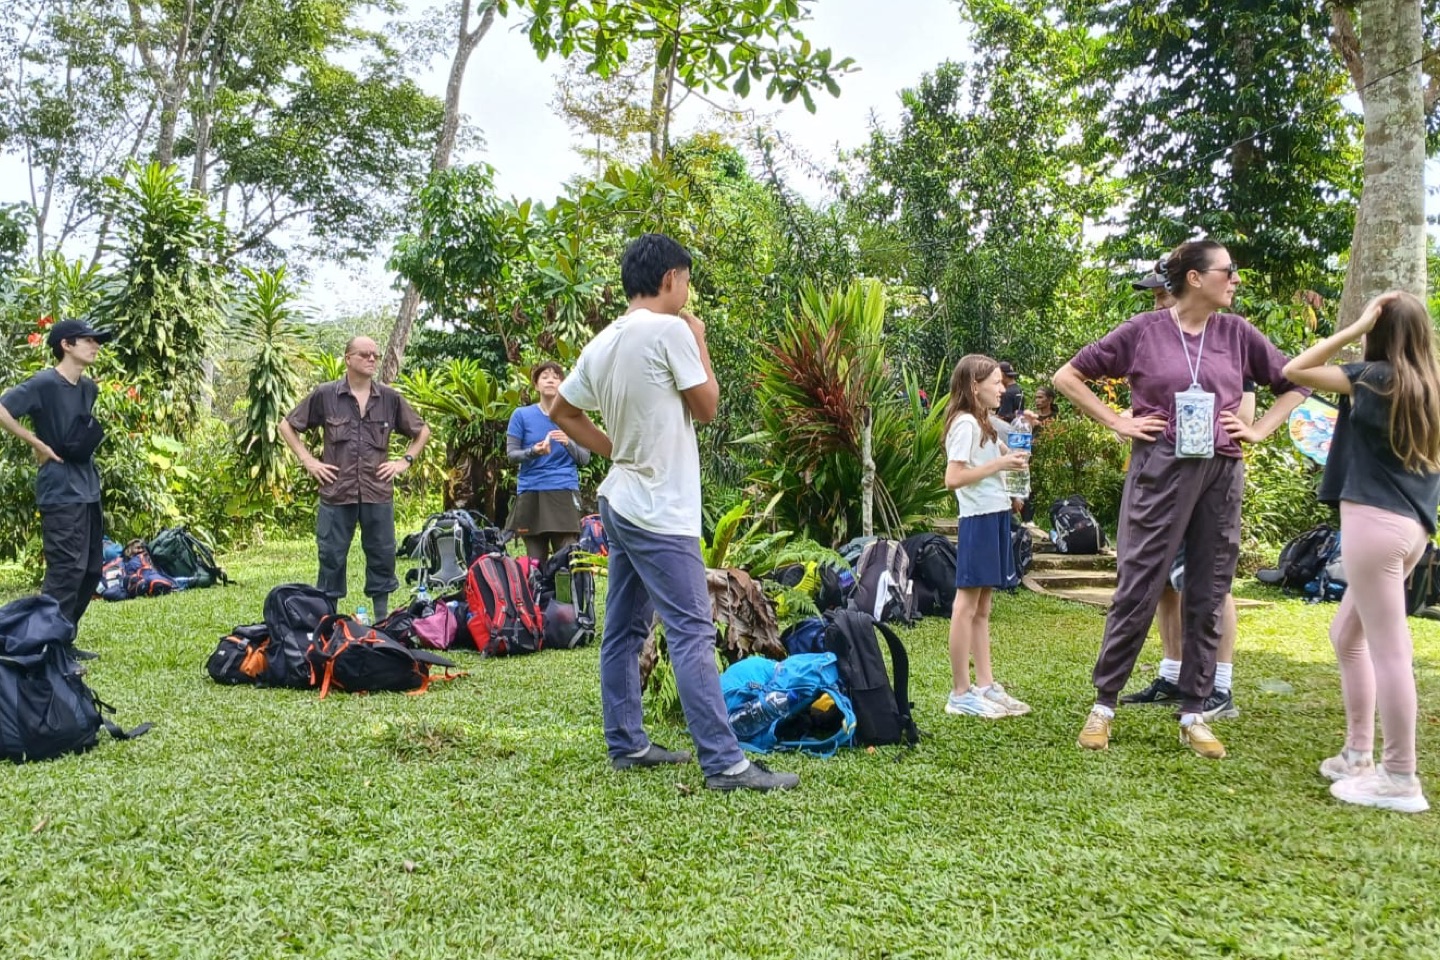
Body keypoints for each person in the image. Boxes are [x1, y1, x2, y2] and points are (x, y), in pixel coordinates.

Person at [550, 232, 798, 792]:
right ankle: (725, 764)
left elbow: (561, 410)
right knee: (690, 632)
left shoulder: (604, 340)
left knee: (623, 629)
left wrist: (618, 450)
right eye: (687, 279)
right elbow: (707, 406)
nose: (688, 290)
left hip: (620, 499)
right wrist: (701, 340)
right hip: (660, 509)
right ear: (670, 279)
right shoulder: (671, 331)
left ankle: (628, 744)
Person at [1053, 239, 1308, 759]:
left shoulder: (1238, 333)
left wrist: (1258, 429)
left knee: (1209, 587)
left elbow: (1295, 382)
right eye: (1227, 271)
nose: (1235, 280)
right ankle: (1104, 705)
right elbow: (1068, 376)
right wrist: (1117, 421)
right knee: (1139, 585)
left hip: (1221, 471)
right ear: (1194, 278)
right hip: (1160, 469)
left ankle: (1194, 711)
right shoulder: (1144, 331)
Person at [1283, 290, 1440, 814]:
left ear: (1381, 330)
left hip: (1374, 528)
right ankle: (1357, 754)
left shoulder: (1372, 378)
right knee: (1346, 634)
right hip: (1411, 531)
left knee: (1390, 653)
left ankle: (1399, 776)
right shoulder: (1429, 387)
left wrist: (1352, 329)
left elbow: (1296, 369)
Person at [1120, 265, 1258, 721]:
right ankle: (1172, 671)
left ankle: (1219, 685)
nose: (1158, 302)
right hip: (1160, 478)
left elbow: (1247, 396)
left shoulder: (1225, 337)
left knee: (1209, 583)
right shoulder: (1157, 337)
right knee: (1161, 582)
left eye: (1161, 293)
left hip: (1206, 480)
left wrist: (1245, 429)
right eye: (1155, 295)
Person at [278, 336, 430, 621]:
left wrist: (403, 461)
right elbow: (286, 425)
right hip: (336, 491)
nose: (372, 359)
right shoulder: (326, 395)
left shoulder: (389, 398)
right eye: (365, 354)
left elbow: (421, 431)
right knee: (331, 556)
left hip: (377, 491)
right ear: (348, 358)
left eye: (375, 354)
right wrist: (308, 461)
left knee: (382, 555)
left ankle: (383, 621)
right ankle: (330, 621)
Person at [0, 320, 113, 632]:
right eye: (88, 340)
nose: (95, 346)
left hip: (88, 486)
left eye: (97, 340)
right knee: (66, 572)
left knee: (90, 571)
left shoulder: (90, 388)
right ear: (66, 344)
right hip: (60, 489)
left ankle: (63, 640)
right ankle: (44, 645)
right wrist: (36, 442)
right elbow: (2, 408)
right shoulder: (43, 384)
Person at [941, 354, 1032, 719]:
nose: (1002, 388)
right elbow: (954, 478)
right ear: (974, 386)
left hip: (995, 514)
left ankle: (986, 684)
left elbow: (1000, 460)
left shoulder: (986, 423)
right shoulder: (964, 423)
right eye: (995, 382)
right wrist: (1000, 464)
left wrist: (1014, 461)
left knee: (983, 607)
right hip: (976, 519)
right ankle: (960, 692)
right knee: (966, 606)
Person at [506, 362, 590, 565]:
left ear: (562, 383)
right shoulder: (521, 415)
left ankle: (568, 598)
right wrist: (533, 452)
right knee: (535, 563)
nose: (550, 379)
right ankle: (536, 597)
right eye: (544, 376)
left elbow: (584, 458)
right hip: (531, 492)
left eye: (555, 376)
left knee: (567, 560)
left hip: (563, 491)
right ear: (536, 385)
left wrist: (568, 442)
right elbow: (511, 454)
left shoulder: (574, 416)